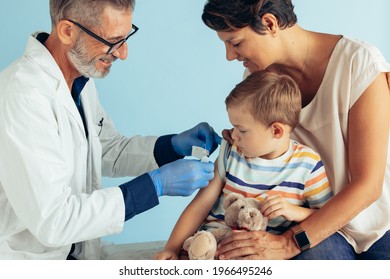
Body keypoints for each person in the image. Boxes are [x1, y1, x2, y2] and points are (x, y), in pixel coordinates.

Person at [0, 0, 221, 260]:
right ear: (67, 31)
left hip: (79, 253)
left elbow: (107, 149)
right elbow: (54, 220)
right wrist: (154, 186)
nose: (123, 53)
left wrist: (170, 146)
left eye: (126, 37)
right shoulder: (23, 95)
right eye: (113, 40)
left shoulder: (79, 79)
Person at [201, 0, 390, 260]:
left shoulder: (358, 63)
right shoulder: (259, 82)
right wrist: (243, 142)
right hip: (308, 220)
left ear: (269, 23)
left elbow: (368, 186)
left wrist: (290, 243)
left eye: (235, 43)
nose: (230, 56)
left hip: (378, 225)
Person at [155, 70, 333, 260]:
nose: (233, 135)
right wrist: (172, 248)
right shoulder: (231, 153)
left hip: (258, 254)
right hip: (211, 246)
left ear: (276, 131)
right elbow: (200, 205)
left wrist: (293, 211)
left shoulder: (307, 165)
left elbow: (327, 215)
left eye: (241, 130)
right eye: (233, 127)